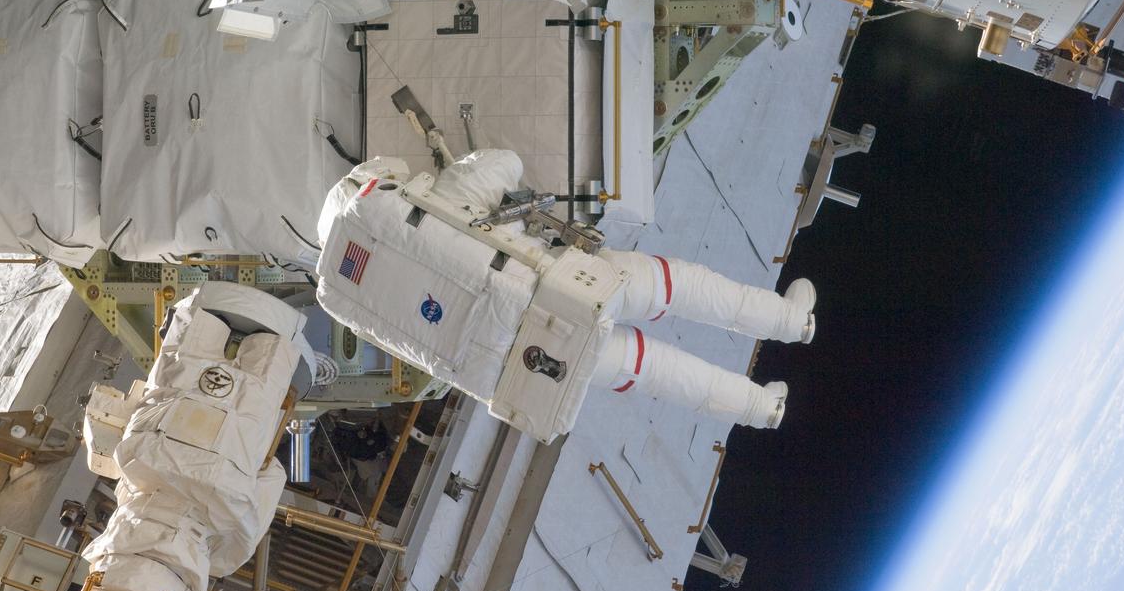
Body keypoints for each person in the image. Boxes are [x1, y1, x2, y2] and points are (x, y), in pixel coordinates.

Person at [316, 149, 818, 442]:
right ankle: (792, 323)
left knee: (656, 371)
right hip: (564, 288)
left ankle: (759, 409)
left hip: (526, 371)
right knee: (679, 286)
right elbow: (502, 163)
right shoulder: (389, 203)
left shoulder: (335, 292)